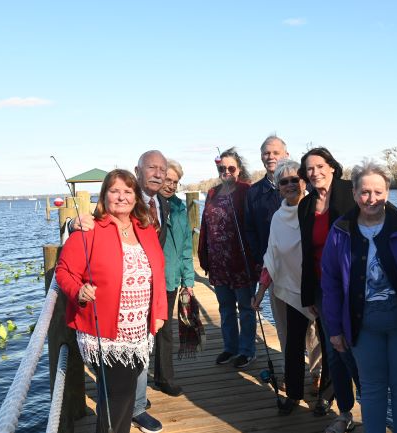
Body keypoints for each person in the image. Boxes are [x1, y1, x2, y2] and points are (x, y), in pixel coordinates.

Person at [56, 169, 167, 433]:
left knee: (122, 397)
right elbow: (63, 270)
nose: (121, 197)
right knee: (118, 399)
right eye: (114, 191)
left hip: (140, 329)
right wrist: (78, 290)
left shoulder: (145, 228)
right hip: (106, 333)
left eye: (128, 191)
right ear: (104, 195)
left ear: (135, 197)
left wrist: (159, 312)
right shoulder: (90, 229)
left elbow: (158, 272)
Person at [321, 160, 397, 433]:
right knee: (371, 390)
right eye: (365, 192)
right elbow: (330, 283)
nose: (372, 199)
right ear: (355, 194)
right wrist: (334, 329)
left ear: (388, 192)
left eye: (378, 192)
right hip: (363, 324)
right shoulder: (340, 231)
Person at [246, 136, 322, 389]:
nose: (290, 185)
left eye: (295, 180)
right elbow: (271, 257)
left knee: (316, 338)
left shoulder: (316, 211)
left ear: (304, 182)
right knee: (289, 338)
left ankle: (318, 378)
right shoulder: (278, 217)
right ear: (278, 187)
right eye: (284, 182)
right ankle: (293, 386)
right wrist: (259, 293)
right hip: (283, 287)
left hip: (314, 287)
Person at [297, 147, 359, 433]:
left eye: (320, 166)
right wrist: (308, 294)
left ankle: (370, 409)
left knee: (357, 351)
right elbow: (306, 253)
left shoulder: (352, 191)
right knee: (334, 353)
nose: (315, 172)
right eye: (309, 169)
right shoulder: (306, 205)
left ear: (332, 167)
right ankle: (344, 413)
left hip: (356, 287)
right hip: (324, 291)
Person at [198, 147, 258, 368]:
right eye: (222, 167)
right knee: (225, 308)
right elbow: (205, 225)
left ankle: (247, 350)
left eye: (231, 167)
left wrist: (257, 258)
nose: (226, 171)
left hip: (241, 262)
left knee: (246, 307)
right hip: (218, 263)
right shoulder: (212, 193)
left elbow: (254, 223)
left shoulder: (246, 190)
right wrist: (203, 255)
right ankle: (230, 347)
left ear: (239, 169)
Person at [153, 159, 194, 398]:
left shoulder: (179, 208)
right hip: (148, 279)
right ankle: (135, 390)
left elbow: (186, 246)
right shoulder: (146, 205)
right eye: (167, 179)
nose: (170, 185)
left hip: (170, 280)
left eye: (175, 182)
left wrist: (188, 280)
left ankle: (164, 378)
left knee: (166, 330)